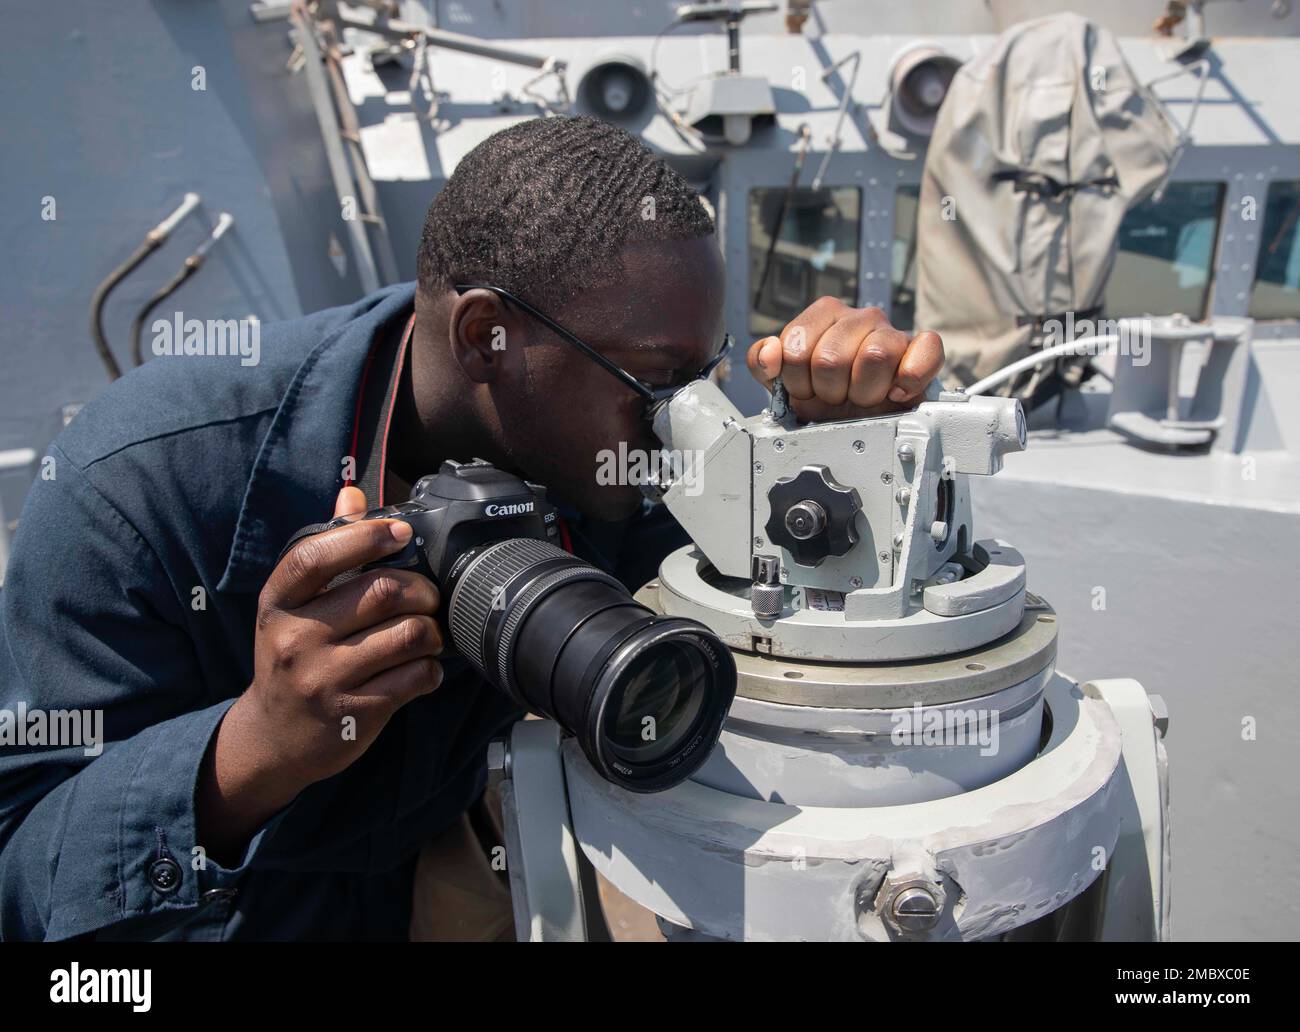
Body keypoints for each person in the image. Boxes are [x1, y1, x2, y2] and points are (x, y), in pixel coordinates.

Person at [0, 116, 943, 940]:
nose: (683, 418)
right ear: (485, 333)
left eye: (709, 371)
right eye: (658, 381)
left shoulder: (613, 444)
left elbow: (749, 625)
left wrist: (827, 456)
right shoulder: (138, 489)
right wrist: (252, 749)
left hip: (441, 861)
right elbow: (21, 873)